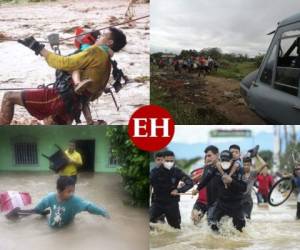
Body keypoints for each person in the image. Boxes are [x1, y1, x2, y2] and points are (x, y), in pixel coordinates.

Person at [0, 27, 127, 125]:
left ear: (109, 42)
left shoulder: (96, 51)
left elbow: (64, 63)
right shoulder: (108, 65)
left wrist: (39, 49)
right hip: (73, 108)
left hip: (59, 98)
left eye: (103, 35)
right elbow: (93, 96)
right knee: (50, 127)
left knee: (8, 97)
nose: (99, 36)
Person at [17, 176, 110, 228]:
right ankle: (45, 215)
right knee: (43, 214)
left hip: (67, 226)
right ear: (59, 190)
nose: (71, 194)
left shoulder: (75, 201)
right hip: (51, 225)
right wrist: (24, 213)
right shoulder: (50, 198)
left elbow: (89, 207)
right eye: (69, 191)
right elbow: (38, 208)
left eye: (73, 191)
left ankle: (46, 214)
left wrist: (103, 212)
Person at [195, 149, 247, 232]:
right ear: (220, 160)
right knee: (212, 225)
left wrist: (232, 181)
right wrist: (197, 189)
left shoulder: (239, 170)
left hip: (236, 203)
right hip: (222, 202)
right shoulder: (217, 168)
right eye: (223, 160)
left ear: (231, 160)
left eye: (227, 160)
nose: (225, 162)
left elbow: (244, 188)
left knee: (240, 229)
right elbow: (206, 179)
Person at [150, 150, 193, 229]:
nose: (169, 163)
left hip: (172, 205)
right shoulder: (154, 173)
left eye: (171, 161)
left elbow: (190, 182)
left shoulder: (177, 172)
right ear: (162, 160)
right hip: (157, 204)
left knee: (176, 230)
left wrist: (179, 190)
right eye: (167, 161)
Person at [241, 154, 268, 219]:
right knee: (239, 219)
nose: (246, 166)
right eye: (244, 165)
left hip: (248, 200)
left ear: (250, 165)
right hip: (239, 199)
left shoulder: (253, 173)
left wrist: (257, 155)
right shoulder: (239, 172)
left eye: (248, 165)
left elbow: (264, 164)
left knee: (247, 219)